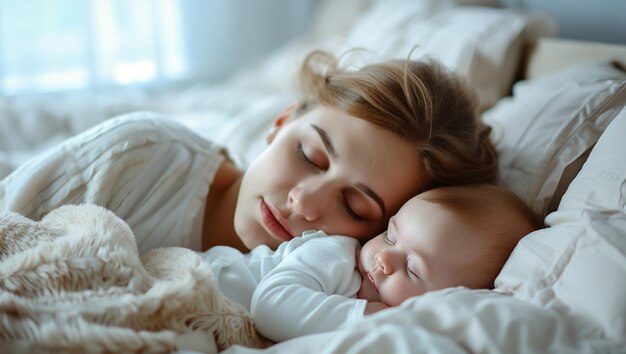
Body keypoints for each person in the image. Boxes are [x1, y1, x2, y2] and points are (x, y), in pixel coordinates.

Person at [0, 50, 497, 255]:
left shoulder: (328, 291)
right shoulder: (139, 157)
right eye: (309, 155)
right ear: (281, 123)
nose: (303, 203)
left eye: (355, 206)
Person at [203, 184, 541, 342]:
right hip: (207, 281)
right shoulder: (335, 255)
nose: (384, 257)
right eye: (391, 236)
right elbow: (271, 305)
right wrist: (369, 316)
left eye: (413, 270)